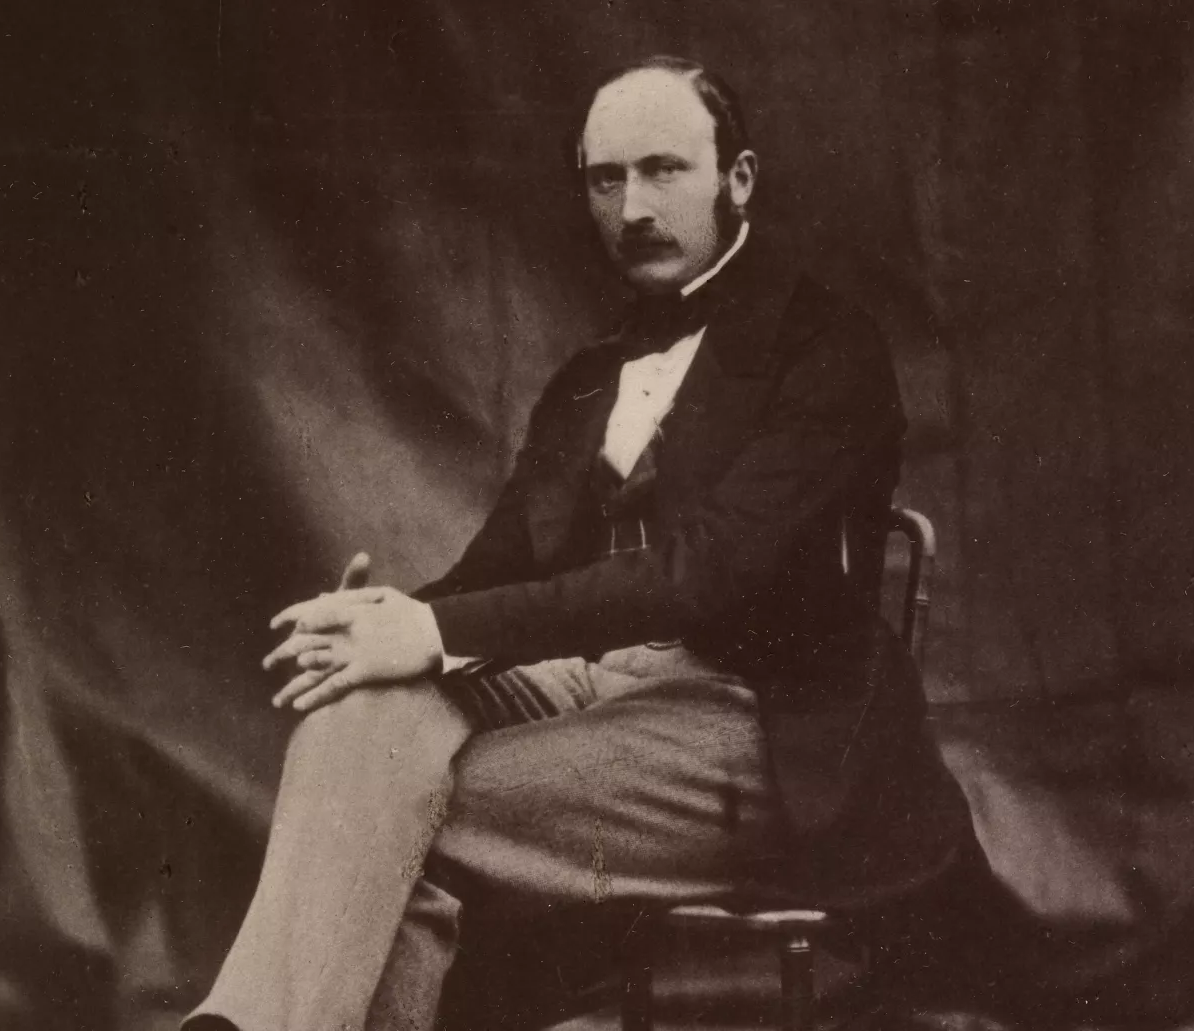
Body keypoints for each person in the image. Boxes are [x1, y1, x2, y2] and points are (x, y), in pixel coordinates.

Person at [186, 55, 974, 1031]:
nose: (632, 206)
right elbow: (499, 572)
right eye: (606, 179)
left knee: (394, 811)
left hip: (756, 718)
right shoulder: (591, 376)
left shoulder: (827, 349)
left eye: (662, 170)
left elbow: (702, 574)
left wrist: (429, 625)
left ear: (738, 179)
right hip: (583, 677)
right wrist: (385, 620)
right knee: (363, 716)